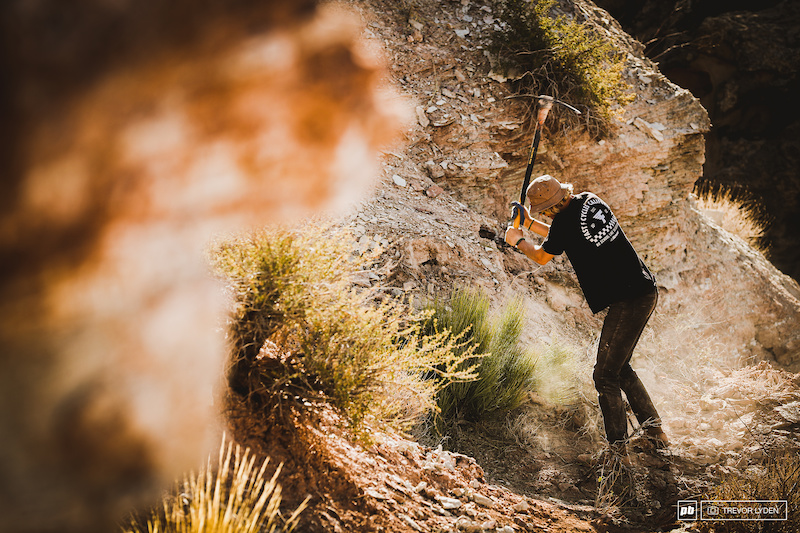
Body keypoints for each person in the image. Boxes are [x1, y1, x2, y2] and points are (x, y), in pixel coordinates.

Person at [505, 174, 669, 460]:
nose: (544, 215)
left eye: (543, 212)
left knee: (604, 374)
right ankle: (656, 433)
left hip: (629, 300)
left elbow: (543, 255)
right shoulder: (589, 199)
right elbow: (562, 235)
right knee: (619, 367)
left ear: (551, 207)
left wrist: (517, 240)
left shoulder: (565, 224)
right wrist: (529, 225)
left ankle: (617, 452)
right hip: (644, 290)